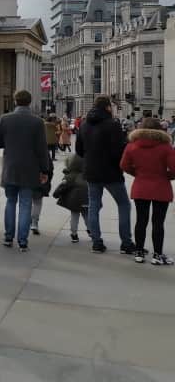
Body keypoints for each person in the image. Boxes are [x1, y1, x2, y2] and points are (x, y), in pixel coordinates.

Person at [0, 90, 50, 252]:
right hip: (30, 169)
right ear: (29, 102)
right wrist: (45, 170)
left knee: (10, 202)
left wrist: (9, 142)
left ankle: (8, 237)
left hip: (11, 167)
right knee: (25, 204)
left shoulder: (5, 119)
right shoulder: (37, 122)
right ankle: (23, 241)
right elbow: (42, 149)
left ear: (15, 101)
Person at [75, 95, 136, 255]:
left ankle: (97, 242)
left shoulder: (84, 124)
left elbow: (79, 150)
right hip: (111, 172)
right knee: (123, 204)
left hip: (91, 171)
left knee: (94, 206)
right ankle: (126, 243)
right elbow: (119, 150)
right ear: (108, 107)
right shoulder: (113, 124)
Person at [119, 118, 175, 265]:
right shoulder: (166, 147)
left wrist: (137, 173)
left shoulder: (132, 146)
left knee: (141, 220)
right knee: (158, 223)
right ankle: (157, 255)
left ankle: (139, 252)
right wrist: (167, 176)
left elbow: (124, 165)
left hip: (141, 186)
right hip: (161, 187)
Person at [52, 155, 90, 242]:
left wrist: (56, 194)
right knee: (87, 215)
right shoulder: (87, 174)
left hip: (74, 202)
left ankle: (74, 234)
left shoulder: (70, 176)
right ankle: (91, 231)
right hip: (86, 199)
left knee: (74, 216)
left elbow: (62, 186)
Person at [30, 159, 53, 236]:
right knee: (37, 203)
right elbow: (50, 167)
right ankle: (34, 223)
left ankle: (27, 222)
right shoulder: (44, 152)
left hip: (27, 178)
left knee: (26, 203)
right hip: (40, 179)